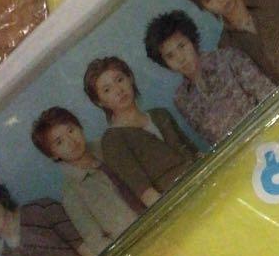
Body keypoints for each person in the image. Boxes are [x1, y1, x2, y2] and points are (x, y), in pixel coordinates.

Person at [144, 10, 276, 145]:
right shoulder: (182, 99)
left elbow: (269, 96)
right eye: (170, 56)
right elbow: (211, 141)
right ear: (165, 63)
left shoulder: (228, 58)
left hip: (270, 133)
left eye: (182, 46)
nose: (180, 58)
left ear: (192, 41)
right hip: (239, 152)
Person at [83, 56, 199, 207]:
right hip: (179, 204)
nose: (118, 90)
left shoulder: (161, 114)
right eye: (107, 90)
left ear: (130, 78)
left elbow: (196, 154)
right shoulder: (112, 140)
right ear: (100, 102)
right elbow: (147, 195)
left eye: (119, 80)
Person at [30, 106, 144, 256]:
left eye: (71, 130)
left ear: (79, 127)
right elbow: (97, 242)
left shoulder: (109, 144)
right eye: (59, 142)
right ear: (53, 155)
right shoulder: (71, 194)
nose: (71, 141)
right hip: (137, 245)